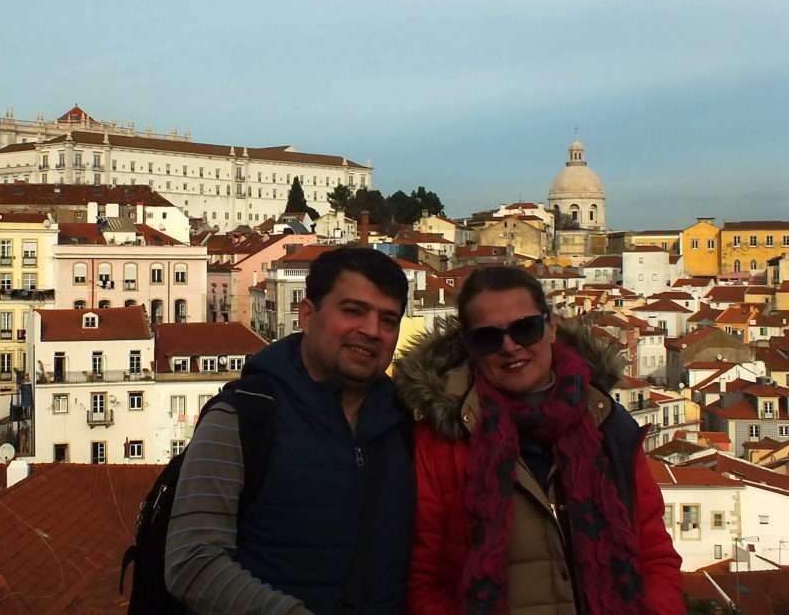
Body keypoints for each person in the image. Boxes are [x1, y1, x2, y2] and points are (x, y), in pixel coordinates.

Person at [395, 266, 683, 615]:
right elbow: (425, 578)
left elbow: (654, 555)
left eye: (525, 329)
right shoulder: (441, 439)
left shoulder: (605, 422)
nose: (510, 347)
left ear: (551, 328)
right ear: (470, 347)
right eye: (488, 338)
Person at [164, 246, 416, 614]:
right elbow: (192, 562)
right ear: (307, 315)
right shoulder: (242, 417)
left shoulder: (404, 420)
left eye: (388, 320)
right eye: (353, 311)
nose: (372, 331)